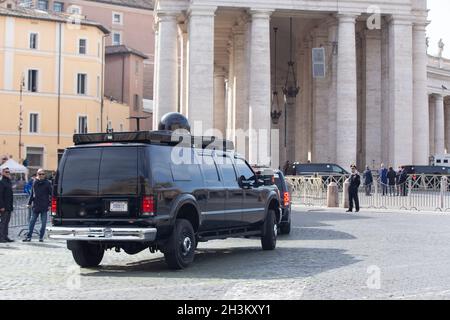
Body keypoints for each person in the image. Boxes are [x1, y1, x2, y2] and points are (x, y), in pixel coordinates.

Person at [23, 169, 52, 242]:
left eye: (43, 174)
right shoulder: (34, 182)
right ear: (37, 174)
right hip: (35, 206)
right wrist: (29, 203)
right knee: (32, 222)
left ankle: (41, 237)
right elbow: (32, 194)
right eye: (40, 174)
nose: (41, 175)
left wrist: (50, 204)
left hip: (44, 206)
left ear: (45, 175)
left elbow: (51, 194)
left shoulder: (47, 183)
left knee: (43, 223)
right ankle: (28, 237)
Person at [0, 167, 14, 243]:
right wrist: (1, 206)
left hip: (9, 206)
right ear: (2, 173)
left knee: (7, 222)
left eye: (8, 172)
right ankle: (1, 237)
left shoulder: (9, 181)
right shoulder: (1, 182)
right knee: (3, 222)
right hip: (3, 207)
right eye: (6, 172)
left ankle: (5, 236)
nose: (8, 173)